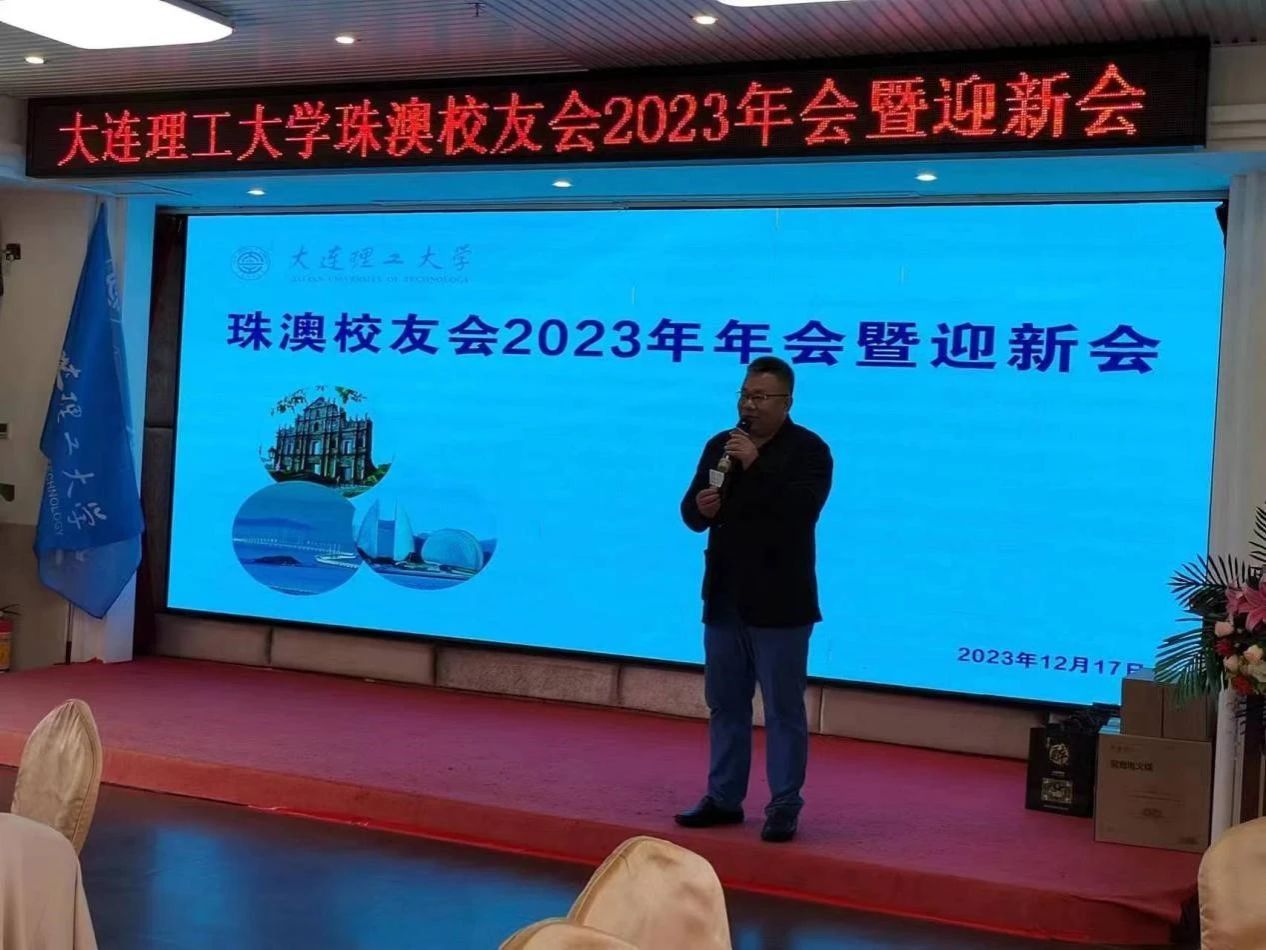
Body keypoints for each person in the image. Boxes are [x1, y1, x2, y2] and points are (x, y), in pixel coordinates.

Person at [674, 356, 833, 843]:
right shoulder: (719, 445)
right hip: (725, 598)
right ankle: (723, 798)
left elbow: (799, 513)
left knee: (783, 709)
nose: (749, 405)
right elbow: (691, 512)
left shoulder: (809, 451)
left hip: (781, 604)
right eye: (745, 395)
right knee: (725, 704)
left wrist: (756, 465)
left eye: (761, 397)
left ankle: (784, 804)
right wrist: (700, 509)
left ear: (787, 402)